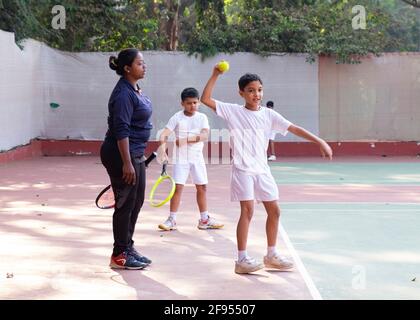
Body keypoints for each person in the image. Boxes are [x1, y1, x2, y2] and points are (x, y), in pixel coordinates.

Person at [201, 67, 333, 274]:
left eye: (260, 90)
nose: (257, 94)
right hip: (243, 169)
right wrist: (216, 74)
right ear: (241, 93)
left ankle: (271, 255)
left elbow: (294, 128)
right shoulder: (233, 111)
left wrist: (319, 141)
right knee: (248, 211)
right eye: (251, 90)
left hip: (262, 170)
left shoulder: (269, 115)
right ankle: (241, 260)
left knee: (275, 211)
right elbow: (206, 99)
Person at [100, 48, 153, 270]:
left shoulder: (135, 89)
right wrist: (127, 163)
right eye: (140, 63)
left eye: (143, 63)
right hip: (121, 154)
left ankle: (127, 246)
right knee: (125, 204)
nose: (144, 66)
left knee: (137, 201)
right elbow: (121, 130)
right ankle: (119, 254)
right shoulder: (123, 94)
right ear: (127, 68)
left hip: (136, 153)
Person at [157, 87, 224, 231]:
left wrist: (185, 140)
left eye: (195, 102)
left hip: (197, 158)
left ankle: (204, 220)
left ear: (199, 102)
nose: (192, 106)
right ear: (182, 104)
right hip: (181, 159)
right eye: (189, 103)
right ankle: (172, 219)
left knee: (202, 187)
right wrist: (162, 149)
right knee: (177, 188)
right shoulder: (177, 117)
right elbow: (164, 134)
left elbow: (205, 136)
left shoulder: (202, 118)